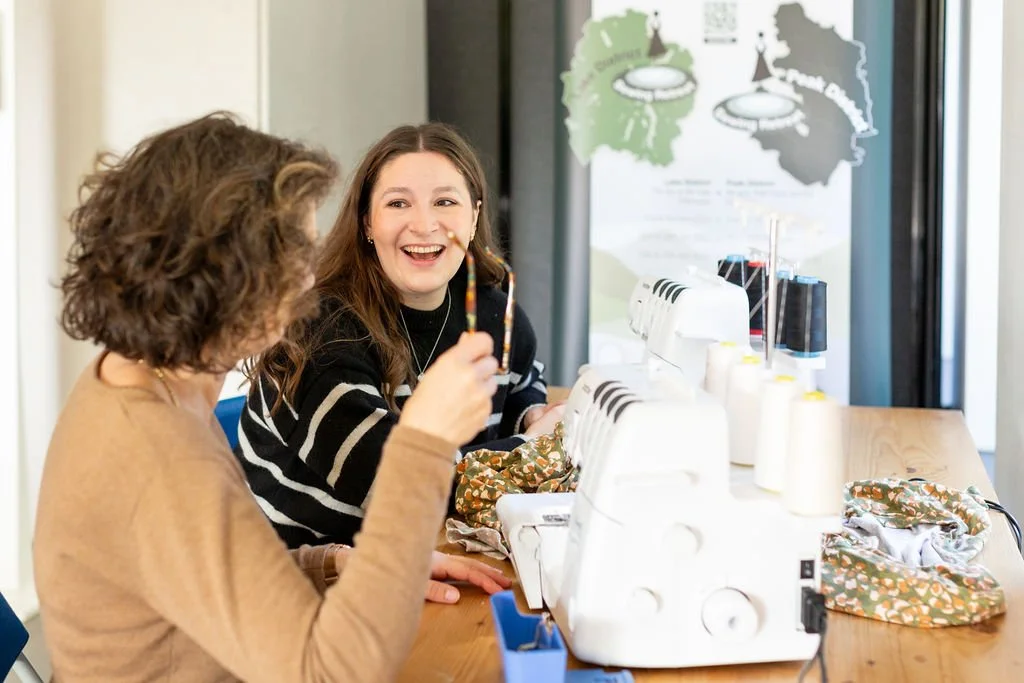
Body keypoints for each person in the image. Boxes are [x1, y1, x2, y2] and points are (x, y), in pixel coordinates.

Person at [33, 112, 511, 683]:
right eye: (296, 257)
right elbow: (334, 673)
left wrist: (341, 565)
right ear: (232, 275)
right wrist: (423, 442)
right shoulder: (160, 457)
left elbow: (196, 572)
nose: (310, 280)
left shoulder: (144, 381)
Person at [237, 122, 564, 549]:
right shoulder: (320, 334)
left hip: (422, 552)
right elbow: (398, 487)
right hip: (313, 579)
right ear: (367, 223)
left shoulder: (495, 313)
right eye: (398, 204)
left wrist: (529, 415)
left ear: (474, 218)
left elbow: (523, 383)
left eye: (445, 201)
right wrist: (532, 446)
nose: (425, 224)